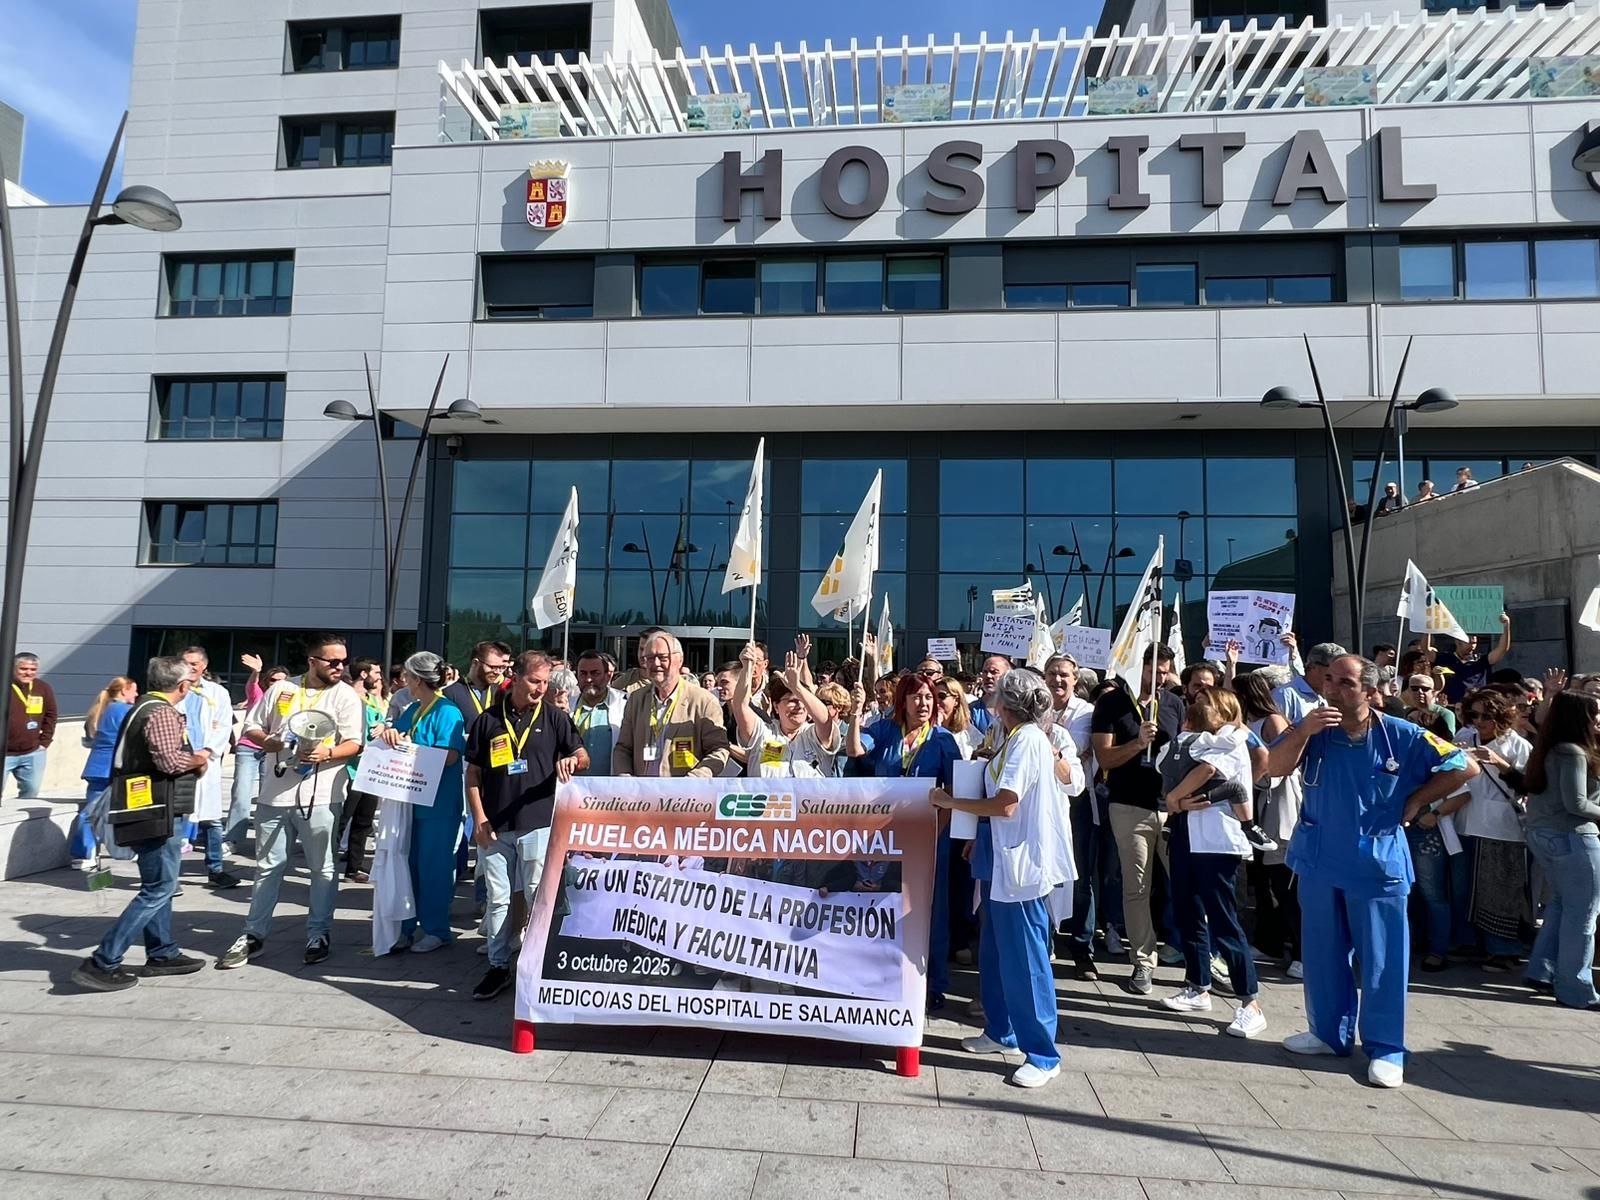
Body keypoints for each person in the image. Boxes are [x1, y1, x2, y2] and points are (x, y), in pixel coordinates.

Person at [1267, 654, 1476, 1088]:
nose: (1332, 689)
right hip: (1319, 859)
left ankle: (1386, 1048)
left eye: (1344, 682)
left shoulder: (1402, 735)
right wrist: (1302, 730)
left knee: (1381, 961)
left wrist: (1418, 801)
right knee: (1322, 953)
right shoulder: (1315, 732)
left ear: (1370, 690)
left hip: (1376, 865)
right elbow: (1275, 766)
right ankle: (1328, 1032)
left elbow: (1464, 766)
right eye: (1328, 680)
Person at [929, 669, 1073, 1088]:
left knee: (1025, 961)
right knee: (993, 950)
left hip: (1022, 866)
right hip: (999, 857)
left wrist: (951, 801)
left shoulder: (1027, 740)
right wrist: (980, 837)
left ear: (1007, 704)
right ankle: (1002, 1030)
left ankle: (1043, 1053)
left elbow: (1007, 804)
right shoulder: (1012, 737)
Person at [217, 636, 365, 969]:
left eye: (343, 661)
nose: (340, 667)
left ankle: (318, 933)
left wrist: (326, 752)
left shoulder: (345, 696)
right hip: (274, 794)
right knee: (268, 867)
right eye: (332, 662)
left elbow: (354, 743)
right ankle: (253, 934)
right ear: (313, 661)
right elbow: (252, 725)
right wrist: (269, 742)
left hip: (322, 796)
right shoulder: (282, 689)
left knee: (322, 869)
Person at [71, 657, 210, 990]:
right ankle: (103, 961)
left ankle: (162, 951)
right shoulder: (161, 712)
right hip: (157, 808)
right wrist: (200, 759)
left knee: (158, 883)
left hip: (146, 805)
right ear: (182, 686)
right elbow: (169, 761)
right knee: (159, 887)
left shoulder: (141, 707)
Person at [465, 651, 586, 999]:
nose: (541, 688)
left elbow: (582, 754)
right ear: (515, 677)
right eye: (535, 681)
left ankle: (540, 962)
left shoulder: (553, 718)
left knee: (538, 896)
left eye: (545, 682)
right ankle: (498, 964)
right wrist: (479, 817)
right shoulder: (488, 720)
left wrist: (572, 760)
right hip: (496, 824)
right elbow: (472, 774)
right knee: (499, 899)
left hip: (537, 823)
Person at [849, 672, 962, 1012]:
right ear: (903, 701)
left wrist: (935, 835)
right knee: (885, 905)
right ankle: (883, 976)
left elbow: (955, 793)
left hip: (928, 840)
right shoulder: (884, 731)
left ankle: (933, 983)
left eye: (929, 697)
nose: (924, 703)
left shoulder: (943, 741)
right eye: (916, 697)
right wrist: (855, 713)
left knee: (930, 911)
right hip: (884, 837)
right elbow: (854, 749)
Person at [1159, 687, 1268, 1038]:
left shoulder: (1232, 738)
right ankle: (1197, 984)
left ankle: (1249, 1001)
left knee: (1223, 920)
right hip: (1186, 835)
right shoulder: (1199, 737)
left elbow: (1206, 771)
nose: (1197, 705)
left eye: (1206, 701)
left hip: (1218, 841)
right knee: (1188, 911)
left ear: (1223, 708)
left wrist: (1173, 798)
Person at [1092, 647, 1184, 995]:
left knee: (1184, 883)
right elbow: (1105, 756)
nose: (1160, 678)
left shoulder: (1174, 704)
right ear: (1139, 667)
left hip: (1169, 807)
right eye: (1154, 671)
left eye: (1165, 672)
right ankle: (1143, 962)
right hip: (1128, 806)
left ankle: (1197, 957)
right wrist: (1137, 743)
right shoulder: (1113, 703)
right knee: (1137, 887)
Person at [375, 652, 469, 953]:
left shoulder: (447, 712)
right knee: (407, 864)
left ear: (417, 679)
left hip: (438, 804)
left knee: (435, 868)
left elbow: (452, 756)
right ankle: (406, 925)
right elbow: (396, 734)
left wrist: (412, 749)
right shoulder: (415, 708)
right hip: (410, 802)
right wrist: (390, 734)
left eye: (407, 676)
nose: (404, 681)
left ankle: (437, 929)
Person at [1520, 690, 1600, 1009]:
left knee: (1561, 905)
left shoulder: (1550, 747)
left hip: (1545, 834)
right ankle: (1575, 988)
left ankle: (1543, 969)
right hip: (1572, 836)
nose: (1597, 718)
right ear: (1580, 717)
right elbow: (1576, 803)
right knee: (1583, 914)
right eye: (1593, 713)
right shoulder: (1572, 752)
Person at [1451, 688, 1533, 971]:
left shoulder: (1518, 745)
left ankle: (1503, 949)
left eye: (1487, 715)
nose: (1480, 721)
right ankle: (1469, 943)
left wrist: (1498, 762)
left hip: (1501, 827)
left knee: (1498, 890)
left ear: (1502, 715)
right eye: (1474, 715)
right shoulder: (1463, 737)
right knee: (1463, 889)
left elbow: (1527, 786)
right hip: (1464, 821)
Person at [1236, 672, 1302, 975]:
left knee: (1283, 882)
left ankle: (1302, 951)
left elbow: (1284, 761)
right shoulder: (1242, 723)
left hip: (1276, 806)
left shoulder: (1271, 721)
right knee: (1262, 880)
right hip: (1256, 807)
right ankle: (1269, 943)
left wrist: (1252, 779)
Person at [612, 631, 730, 777]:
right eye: (650, 658)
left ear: (679, 660)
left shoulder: (703, 701)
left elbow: (719, 750)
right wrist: (625, 779)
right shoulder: (636, 699)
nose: (655, 664)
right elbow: (623, 749)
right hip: (641, 796)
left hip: (685, 796)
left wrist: (695, 779)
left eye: (662, 658)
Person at [177, 647, 241, 890]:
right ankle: (170, 874)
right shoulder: (173, 689)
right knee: (176, 819)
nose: (190, 667)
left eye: (194, 663)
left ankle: (215, 869)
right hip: (179, 762)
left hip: (206, 761)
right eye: (185, 663)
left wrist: (206, 753)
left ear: (204, 666)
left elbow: (224, 726)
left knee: (211, 819)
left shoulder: (216, 692)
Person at [731, 646, 841, 777]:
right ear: (776, 706)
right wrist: (746, 668)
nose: (799, 706)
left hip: (810, 798)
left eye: (803, 701)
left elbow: (825, 720)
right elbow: (740, 706)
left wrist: (796, 687)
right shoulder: (763, 733)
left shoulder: (813, 735)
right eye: (792, 701)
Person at [226, 656, 287, 854]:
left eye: (282, 681)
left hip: (273, 751)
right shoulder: (258, 694)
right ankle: (233, 839)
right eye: (274, 680)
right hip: (250, 748)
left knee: (267, 797)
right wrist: (256, 671)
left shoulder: (290, 699)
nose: (277, 684)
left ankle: (265, 841)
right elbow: (252, 684)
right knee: (241, 795)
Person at [75, 677, 138, 869]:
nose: (136, 694)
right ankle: (121, 848)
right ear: (124, 691)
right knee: (103, 812)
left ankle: (83, 852)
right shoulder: (124, 711)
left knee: (90, 811)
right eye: (134, 690)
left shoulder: (102, 709)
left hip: (96, 766)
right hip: (113, 768)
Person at [339, 656, 387, 883]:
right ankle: (326, 864)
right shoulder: (346, 696)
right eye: (376, 672)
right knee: (341, 819)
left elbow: (381, 722)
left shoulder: (373, 699)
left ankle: (353, 867)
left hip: (370, 769)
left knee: (363, 821)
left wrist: (383, 726)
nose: (379, 677)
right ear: (364, 674)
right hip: (349, 768)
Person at [1425, 614, 1512, 705]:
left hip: (1476, 708)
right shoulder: (1444, 658)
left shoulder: (1482, 661)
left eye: (1474, 643)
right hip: (1449, 706)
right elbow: (1426, 649)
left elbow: (1502, 649)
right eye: (1469, 642)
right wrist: (1427, 628)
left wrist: (1506, 626)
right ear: (1458, 641)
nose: (1473, 646)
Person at [5, 652, 57, 801]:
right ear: (14, 669)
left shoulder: (43, 687)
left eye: (32, 669)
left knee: (31, 793)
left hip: (33, 752)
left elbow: (51, 715)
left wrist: (44, 742)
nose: (28, 673)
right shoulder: (4, 685)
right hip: (5, 753)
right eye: (23, 669)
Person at [573, 650, 627, 775]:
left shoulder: (626, 703)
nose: (588, 679)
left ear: (608, 675)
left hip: (612, 787)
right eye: (583, 674)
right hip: (574, 787)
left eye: (595, 673)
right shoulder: (566, 706)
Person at [1274, 636, 1342, 724]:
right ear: (1313, 667)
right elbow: (1277, 735)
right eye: (1334, 668)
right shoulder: (1284, 695)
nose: (1340, 674)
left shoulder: (1332, 695)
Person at [445, 640, 512, 724]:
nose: (497, 672)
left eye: (502, 667)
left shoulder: (502, 692)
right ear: (475, 663)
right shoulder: (451, 693)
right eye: (492, 667)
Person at [937, 676, 981, 759]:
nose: (936, 701)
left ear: (956, 700)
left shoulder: (969, 733)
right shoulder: (925, 730)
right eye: (932, 696)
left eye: (941, 696)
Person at [969, 655, 1012, 737]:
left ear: (1007, 676)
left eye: (994, 672)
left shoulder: (1015, 710)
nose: (988, 676)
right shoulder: (972, 710)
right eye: (985, 672)